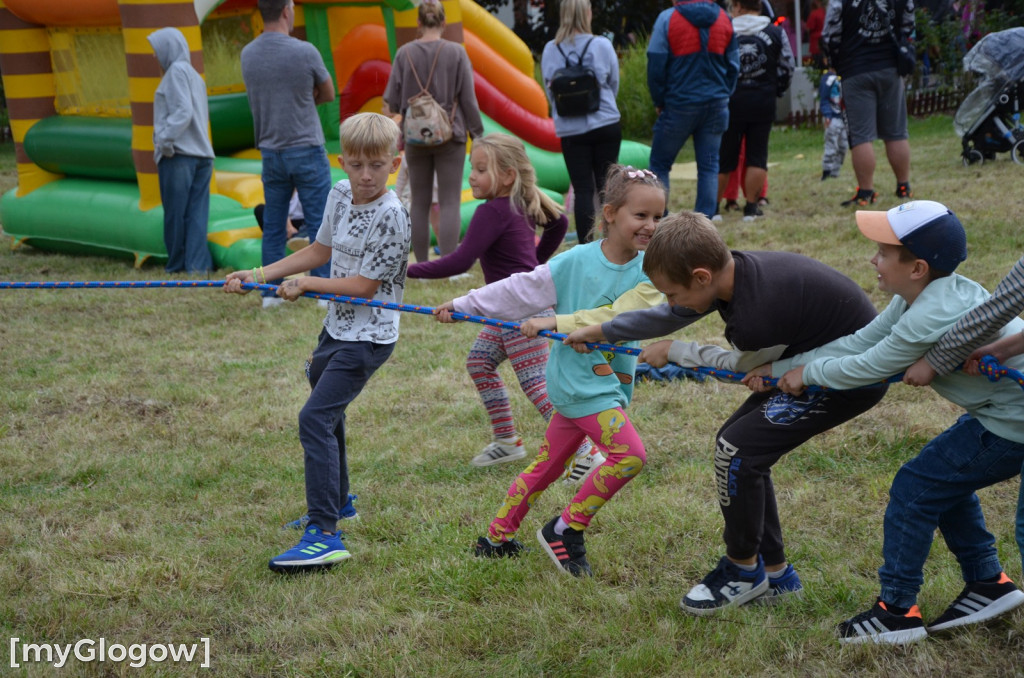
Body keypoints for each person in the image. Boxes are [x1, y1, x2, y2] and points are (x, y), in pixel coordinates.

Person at [564, 213, 887, 612]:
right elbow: (672, 314)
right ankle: (776, 575)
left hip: (845, 379)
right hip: (807, 364)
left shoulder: (756, 316)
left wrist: (675, 351)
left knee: (738, 450)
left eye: (672, 293)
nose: (670, 302)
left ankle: (741, 570)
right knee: (738, 449)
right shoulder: (731, 272)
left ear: (701, 276)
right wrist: (601, 331)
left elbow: (742, 368)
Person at [744, 201, 1024, 643]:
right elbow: (856, 343)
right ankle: (988, 583)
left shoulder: (929, 315)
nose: (872, 260)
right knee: (937, 482)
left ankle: (897, 611)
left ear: (917, 268)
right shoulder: (919, 297)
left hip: (1014, 426)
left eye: (882, 253)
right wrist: (782, 371)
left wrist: (806, 375)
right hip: (1000, 417)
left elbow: (868, 366)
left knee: (916, 489)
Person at [436, 165, 665, 576]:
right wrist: (462, 304)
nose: (651, 226)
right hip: (581, 388)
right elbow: (518, 289)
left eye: (657, 217)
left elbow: (622, 313)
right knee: (630, 456)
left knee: (546, 466)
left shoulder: (652, 268)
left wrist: (556, 323)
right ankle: (565, 528)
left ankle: (496, 537)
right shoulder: (575, 261)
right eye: (641, 216)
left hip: (606, 384)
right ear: (610, 213)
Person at [223, 113, 411, 573]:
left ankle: (325, 533)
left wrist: (308, 285)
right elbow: (320, 251)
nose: (365, 176)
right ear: (341, 161)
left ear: (395, 164)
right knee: (328, 413)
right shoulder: (340, 193)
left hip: (368, 336)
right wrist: (260, 274)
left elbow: (365, 287)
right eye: (356, 164)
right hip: (336, 328)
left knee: (315, 418)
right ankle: (341, 502)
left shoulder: (392, 216)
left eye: (377, 165)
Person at [407, 134, 603, 479]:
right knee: (479, 362)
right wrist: (535, 270)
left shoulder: (492, 212)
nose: (472, 176)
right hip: (510, 308)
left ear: (509, 175)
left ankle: (588, 452)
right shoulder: (514, 205)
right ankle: (507, 440)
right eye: (472, 168)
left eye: (481, 170)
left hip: (521, 312)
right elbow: (559, 223)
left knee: (538, 388)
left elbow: (459, 262)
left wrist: (403, 269)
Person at [241, 0, 334, 308]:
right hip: (306, 146)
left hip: (270, 150)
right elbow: (329, 92)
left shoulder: (248, 55)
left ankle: (270, 293)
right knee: (321, 223)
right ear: (285, 11)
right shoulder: (305, 51)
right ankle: (321, 291)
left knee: (274, 223)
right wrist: (304, 99)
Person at [383, 0, 484, 263]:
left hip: (415, 138)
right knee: (450, 201)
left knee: (419, 201)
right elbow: (469, 100)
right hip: (451, 135)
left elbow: (391, 102)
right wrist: (479, 135)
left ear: (418, 23)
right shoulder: (457, 52)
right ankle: (449, 263)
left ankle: (422, 263)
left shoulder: (404, 54)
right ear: (443, 23)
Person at [647, 0, 739, 218]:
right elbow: (734, 64)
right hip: (716, 105)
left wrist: (659, 100)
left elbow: (656, 64)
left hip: (679, 104)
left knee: (659, 164)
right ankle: (704, 224)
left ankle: (662, 220)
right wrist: (725, 93)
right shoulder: (724, 19)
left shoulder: (667, 19)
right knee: (708, 166)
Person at [540, 0, 621, 243]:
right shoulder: (602, 45)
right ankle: (612, 239)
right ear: (587, 13)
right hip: (605, 122)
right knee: (606, 187)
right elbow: (613, 83)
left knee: (583, 188)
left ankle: (587, 244)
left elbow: (549, 89)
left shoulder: (551, 50)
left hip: (571, 129)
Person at [822, 0, 915, 206]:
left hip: (855, 69)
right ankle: (903, 187)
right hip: (891, 68)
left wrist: (837, 61)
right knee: (896, 133)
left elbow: (829, 34)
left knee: (861, 137)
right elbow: (908, 26)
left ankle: (866, 192)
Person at [715, 0, 793, 222]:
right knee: (757, 156)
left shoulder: (724, 31)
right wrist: (776, 90)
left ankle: (714, 208)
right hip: (763, 101)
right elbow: (787, 66)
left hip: (730, 102)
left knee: (724, 157)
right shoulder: (775, 32)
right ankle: (751, 208)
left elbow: (716, 66)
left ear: (738, 6)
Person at [147, 27, 215, 275]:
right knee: (197, 213)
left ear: (168, 49)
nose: (155, 57)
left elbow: (182, 112)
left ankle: (175, 265)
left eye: (157, 50)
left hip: (179, 155)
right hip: (203, 155)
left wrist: (163, 141)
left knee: (175, 214)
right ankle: (197, 267)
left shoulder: (174, 72)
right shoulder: (195, 76)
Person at [819, 65, 847, 181]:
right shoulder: (828, 79)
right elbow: (824, 98)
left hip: (844, 118)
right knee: (831, 145)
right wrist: (827, 115)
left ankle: (835, 172)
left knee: (843, 146)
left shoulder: (845, 77)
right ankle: (826, 171)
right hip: (833, 118)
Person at [805, 0, 826, 68]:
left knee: (817, 66)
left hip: (816, 44)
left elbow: (808, 28)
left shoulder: (814, 14)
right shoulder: (824, 12)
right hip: (824, 42)